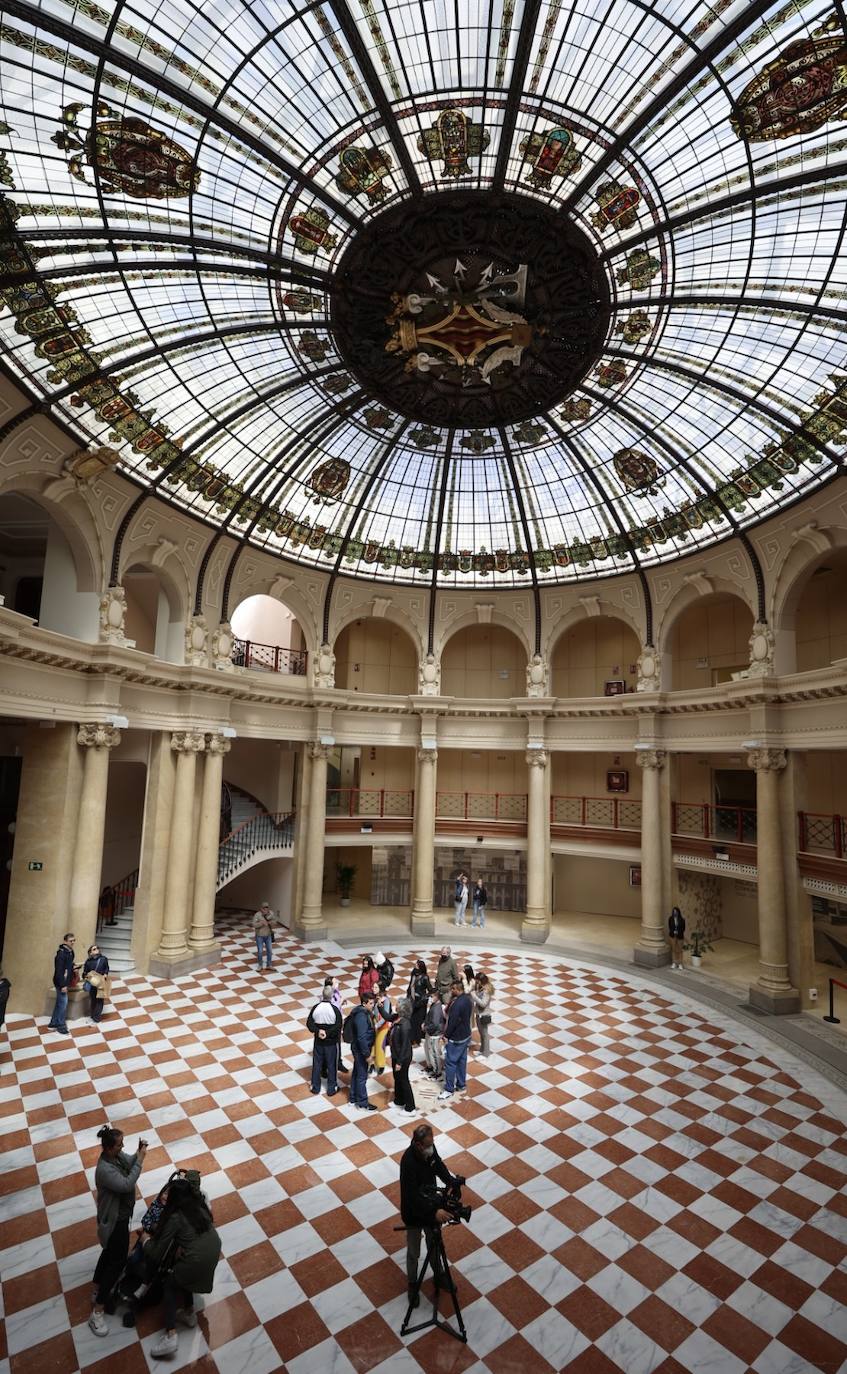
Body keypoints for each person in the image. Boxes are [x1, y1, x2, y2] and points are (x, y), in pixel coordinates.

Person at [145, 1174, 222, 1359]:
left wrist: (145, 1240)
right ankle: (189, 1313)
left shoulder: (175, 1217)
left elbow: (156, 1254)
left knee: (170, 1285)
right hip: (214, 1250)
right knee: (183, 1275)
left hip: (196, 1258)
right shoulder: (198, 1208)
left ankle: (170, 1335)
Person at [89, 1125, 147, 1336]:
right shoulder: (105, 1170)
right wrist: (140, 1160)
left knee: (109, 1254)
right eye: (120, 1144)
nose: (123, 1146)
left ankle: (97, 1288)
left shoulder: (116, 1156)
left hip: (119, 1219)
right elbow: (126, 1183)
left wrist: (138, 1154)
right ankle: (98, 1311)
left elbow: (128, 1162)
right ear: (108, 1147)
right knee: (118, 1262)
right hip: (115, 1222)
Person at [399, 1123, 457, 1308]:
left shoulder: (428, 1150)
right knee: (414, 1251)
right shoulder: (408, 1162)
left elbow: (438, 1165)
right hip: (414, 1212)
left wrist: (451, 1181)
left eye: (432, 1143)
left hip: (431, 1204)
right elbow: (412, 1196)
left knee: (434, 1243)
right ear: (417, 1144)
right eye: (427, 1145)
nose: (431, 1148)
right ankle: (413, 1284)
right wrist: (434, 1211)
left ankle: (438, 1274)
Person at [438, 979, 473, 1101]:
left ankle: (449, 1089)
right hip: (466, 1035)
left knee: (450, 1062)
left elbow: (452, 1022)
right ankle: (461, 1084)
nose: (451, 991)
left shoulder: (457, 1004)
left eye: (453, 989)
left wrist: (446, 1036)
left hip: (456, 1038)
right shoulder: (468, 1000)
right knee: (462, 1061)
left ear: (458, 989)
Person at [307, 985, 342, 1096]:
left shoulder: (316, 1008)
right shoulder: (334, 1010)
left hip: (318, 1042)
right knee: (332, 1065)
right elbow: (338, 1026)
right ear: (331, 996)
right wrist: (327, 1033)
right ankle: (332, 1088)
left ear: (322, 995)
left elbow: (309, 1023)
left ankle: (315, 1087)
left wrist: (318, 1031)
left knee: (317, 1064)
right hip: (331, 1043)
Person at [348, 991, 377, 1110]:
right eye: (371, 1003)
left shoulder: (362, 1011)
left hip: (358, 1048)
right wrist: (367, 1055)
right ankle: (362, 1103)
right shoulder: (361, 1016)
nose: (373, 1005)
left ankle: (353, 1097)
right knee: (362, 1076)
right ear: (364, 1004)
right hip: (361, 1050)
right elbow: (361, 1037)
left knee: (357, 1073)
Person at [390, 998, 416, 1114]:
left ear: (402, 1008)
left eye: (397, 1004)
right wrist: (380, 1006)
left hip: (403, 1057)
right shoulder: (397, 1018)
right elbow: (387, 1016)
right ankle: (399, 1100)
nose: (396, 1005)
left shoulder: (405, 1025)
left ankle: (410, 1108)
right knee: (397, 1078)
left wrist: (399, 1062)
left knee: (404, 1080)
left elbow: (405, 1045)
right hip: (396, 1054)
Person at [48, 932, 77, 1035]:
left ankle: (53, 1023)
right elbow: (59, 971)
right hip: (60, 982)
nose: (73, 942)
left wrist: (73, 966)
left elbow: (68, 965)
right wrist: (63, 985)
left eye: (74, 940)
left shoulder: (70, 952)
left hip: (64, 981)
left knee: (60, 1003)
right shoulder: (61, 954)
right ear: (65, 941)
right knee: (63, 1004)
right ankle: (61, 1026)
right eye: (71, 941)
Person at [82, 944, 110, 1024]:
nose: (96, 949)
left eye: (97, 948)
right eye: (94, 949)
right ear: (90, 953)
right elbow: (85, 972)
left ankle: (97, 1018)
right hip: (92, 983)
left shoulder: (103, 959)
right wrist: (86, 975)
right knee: (93, 999)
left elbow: (106, 968)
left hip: (101, 982)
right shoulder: (88, 962)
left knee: (100, 999)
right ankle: (93, 1015)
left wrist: (105, 974)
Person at [407, 958, 432, 1046]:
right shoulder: (413, 974)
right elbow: (410, 987)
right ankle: (411, 1039)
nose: (415, 966)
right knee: (412, 1021)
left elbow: (430, 990)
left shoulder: (425, 977)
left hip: (420, 1003)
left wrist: (424, 998)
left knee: (418, 1022)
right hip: (413, 1002)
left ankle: (417, 1040)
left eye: (417, 965)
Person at [372, 986, 395, 1075]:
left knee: (380, 1046)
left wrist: (377, 1025)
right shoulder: (375, 999)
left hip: (383, 1027)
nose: (373, 988)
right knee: (373, 1046)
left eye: (376, 987)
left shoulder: (386, 1001)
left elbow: (385, 1016)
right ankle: (373, 1064)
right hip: (375, 1025)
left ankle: (381, 1065)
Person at [423, 989, 445, 1080]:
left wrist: (426, 1028)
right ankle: (431, 1067)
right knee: (428, 1049)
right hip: (430, 1032)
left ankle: (437, 1072)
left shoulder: (437, 1008)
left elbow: (435, 1024)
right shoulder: (434, 1005)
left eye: (431, 996)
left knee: (434, 1052)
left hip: (434, 1033)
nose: (430, 998)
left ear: (437, 997)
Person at [471, 972, 493, 1057]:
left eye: (477, 981)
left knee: (485, 1034)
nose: (476, 983)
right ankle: (482, 1050)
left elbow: (483, 1003)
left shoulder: (487, 990)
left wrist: (474, 996)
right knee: (481, 1033)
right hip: (479, 1014)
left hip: (483, 1015)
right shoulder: (481, 988)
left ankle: (486, 1054)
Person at [252, 903, 274, 971]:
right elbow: (254, 925)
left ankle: (269, 965)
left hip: (268, 935)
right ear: (261, 909)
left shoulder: (271, 914)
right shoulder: (257, 915)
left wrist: (271, 922)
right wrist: (261, 923)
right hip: (260, 936)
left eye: (267, 908)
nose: (266, 909)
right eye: (264, 908)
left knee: (269, 951)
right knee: (260, 951)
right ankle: (260, 965)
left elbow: (275, 921)